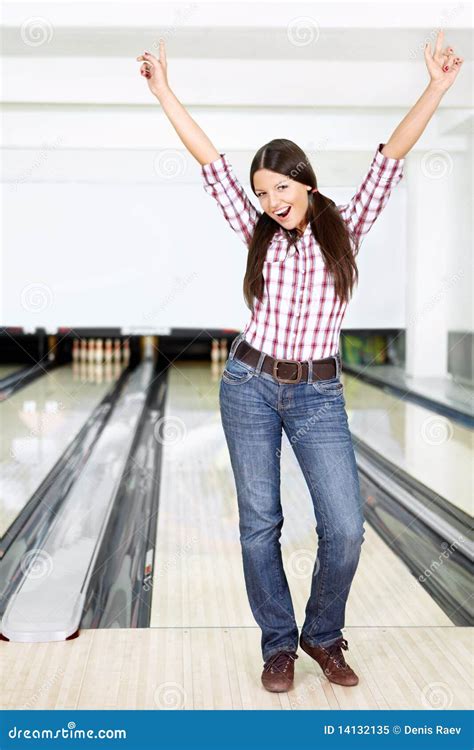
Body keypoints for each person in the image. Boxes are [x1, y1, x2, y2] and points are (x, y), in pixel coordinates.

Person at [136, 31, 463, 692]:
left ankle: (322, 634)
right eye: (261, 192)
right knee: (261, 526)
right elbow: (208, 162)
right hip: (249, 384)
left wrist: (435, 87)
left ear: (305, 182)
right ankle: (279, 646)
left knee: (345, 528)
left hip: (318, 393)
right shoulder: (255, 228)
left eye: (280, 187)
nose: (270, 200)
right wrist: (165, 92)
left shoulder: (346, 225)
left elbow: (392, 155)